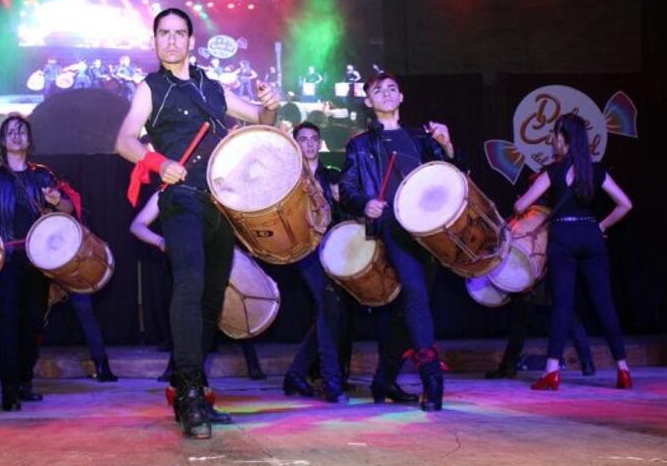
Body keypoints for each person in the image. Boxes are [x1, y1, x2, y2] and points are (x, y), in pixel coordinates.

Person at [115, 8, 279, 439]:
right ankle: (187, 390)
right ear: (155, 42)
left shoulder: (215, 88)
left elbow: (262, 123)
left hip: (222, 203)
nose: (171, 40)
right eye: (163, 34)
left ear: (191, 42)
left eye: (179, 33)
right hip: (182, 200)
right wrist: (157, 160)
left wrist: (270, 107)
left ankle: (195, 386)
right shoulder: (150, 88)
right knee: (188, 283)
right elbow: (124, 140)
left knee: (210, 301)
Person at [338, 72, 462, 412]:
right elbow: (347, 188)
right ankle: (432, 382)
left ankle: (385, 378)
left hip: (429, 229)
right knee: (418, 299)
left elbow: (452, 176)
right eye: (379, 90)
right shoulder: (361, 144)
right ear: (368, 101)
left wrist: (448, 147)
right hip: (393, 226)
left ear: (402, 96)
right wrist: (365, 202)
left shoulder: (421, 138)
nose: (387, 93)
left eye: (393, 88)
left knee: (409, 307)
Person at [515, 113, 633, 391]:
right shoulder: (595, 170)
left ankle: (552, 371)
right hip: (591, 235)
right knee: (604, 303)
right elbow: (626, 204)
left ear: (562, 138)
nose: (553, 140)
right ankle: (623, 369)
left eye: (555, 134)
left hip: (563, 237)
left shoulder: (553, 172)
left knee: (563, 305)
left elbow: (521, 206)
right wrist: (600, 225)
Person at [0, 114, 74, 410]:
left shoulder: (42, 175)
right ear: (3, 141)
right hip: (4, 262)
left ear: (29, 140)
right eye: (11, 132)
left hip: (37, 262)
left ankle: (24, 382)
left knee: (31, 325)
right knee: (6, 325)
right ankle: (8, 391)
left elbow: (67, 209)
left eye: (22, 132)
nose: (16, 136)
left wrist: (56, 201)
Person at [129, 191, 266, 386]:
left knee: (223, 309)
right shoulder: (167, 192)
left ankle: (249, 364)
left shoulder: (221, 191)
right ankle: (182, 377)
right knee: (187, 315)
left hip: (215, 259)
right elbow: (136, 225)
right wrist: (160, 241)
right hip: (183, 264)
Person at [281, 122, 350, 403]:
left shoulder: (332, 176)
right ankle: (331, 380)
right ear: (295, 143)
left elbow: (345, 212)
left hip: (333, 248)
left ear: (319, 143)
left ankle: (296, 374)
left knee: (330, 312)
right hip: (305, 250)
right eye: (303, 139)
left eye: (313, 139)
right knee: (328, 305)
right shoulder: (288, 178)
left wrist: (340, 200)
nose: (309, 144)